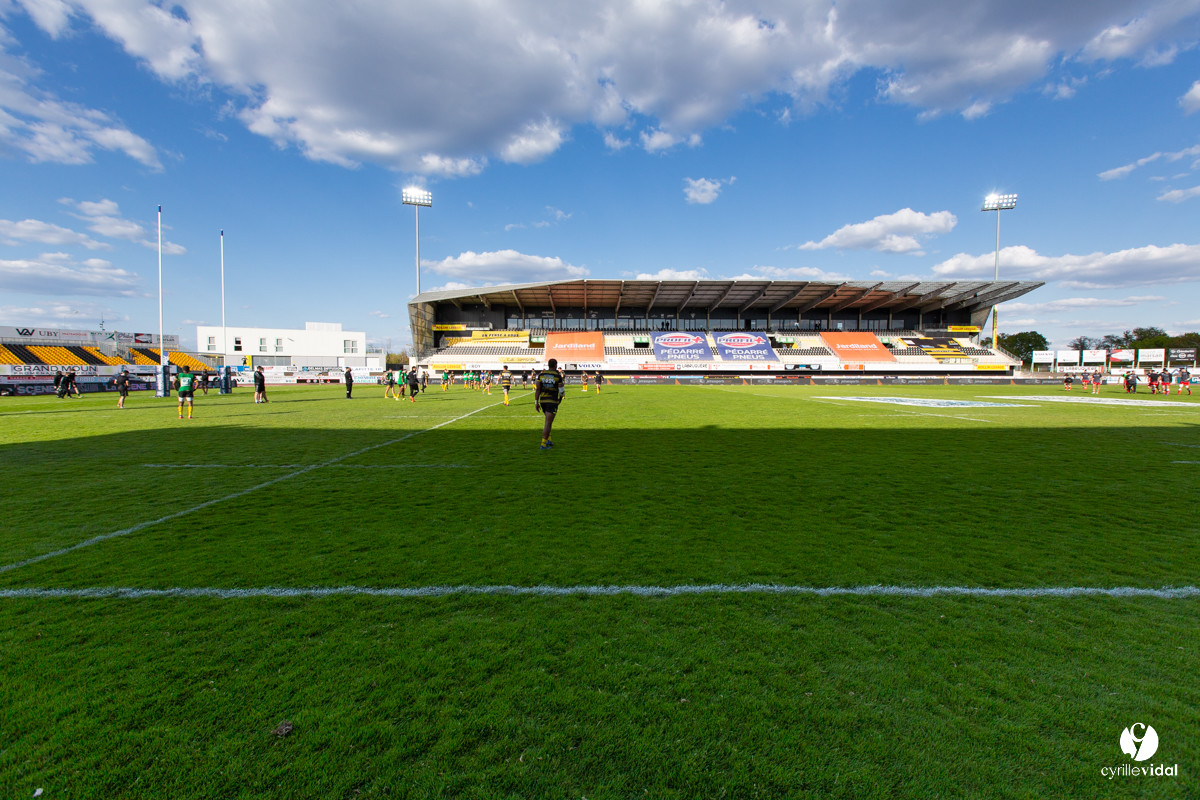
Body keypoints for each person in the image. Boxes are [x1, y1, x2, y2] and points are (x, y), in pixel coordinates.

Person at [534, 358, 565, 450]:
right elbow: (561, 390)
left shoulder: (541, 375)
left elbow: (538, 389)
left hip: (543, 401)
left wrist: (536, 402)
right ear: (555, 365)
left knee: (548, 421)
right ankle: (543, 444)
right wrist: (560, 398)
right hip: (552, 401)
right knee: (548, 422)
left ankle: (549, 440)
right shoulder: (557, 376)